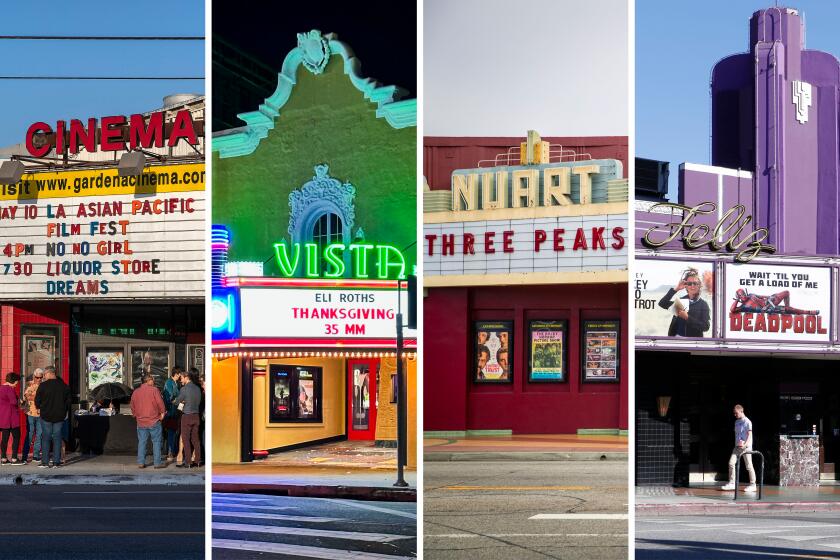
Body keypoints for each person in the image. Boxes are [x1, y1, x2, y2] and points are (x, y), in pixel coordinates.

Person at [34, 366, 71, 468]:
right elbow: (68, 402)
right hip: (59, 416)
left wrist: (39, 407)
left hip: (46, 415)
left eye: (45, 374)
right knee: (57, 438)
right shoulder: (64, 386)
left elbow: (37, 400)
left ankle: (45, 462)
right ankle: (56, 462)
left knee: (46, 438)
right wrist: (65, 412)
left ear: (50, 373)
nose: (44, 376)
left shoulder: (43, 386)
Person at [658, 268, 711, 337]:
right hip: (675, 341)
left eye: (695, 283)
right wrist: (676, 289)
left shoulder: (703, 305)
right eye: (689, 283)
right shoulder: (681, 301)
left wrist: (687, 317)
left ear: (699, 285)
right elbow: (662, 303)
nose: (692, 286)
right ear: (686, 286)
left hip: (693, 343)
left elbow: (705, 327)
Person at [130, 373, 167, 469]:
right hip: (154, 420)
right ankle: (157, 463)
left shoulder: (136, 392)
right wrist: (162, 413)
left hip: (141, 421)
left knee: (142, 442)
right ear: (148, 381)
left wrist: (135, 415)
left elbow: (132, 405)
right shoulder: (154, 390)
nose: (153, 381)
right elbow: (160, 403)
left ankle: (141, 463)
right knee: (156, 442)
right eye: (152, 379)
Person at [721, 404, 757, 492]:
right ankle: (732, 483)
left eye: (736, 413)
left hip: (746, 447)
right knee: (731, 463)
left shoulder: (748, 422)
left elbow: (750, 435)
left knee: (749, 466)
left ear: (741, 411)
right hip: (737, 447)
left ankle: (753, 484)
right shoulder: (736, 422)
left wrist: (745, 444)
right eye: (734, 413)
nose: (735, 415)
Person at [175, 369, 202, 468]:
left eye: (181, 378)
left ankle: (188, 462)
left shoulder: (184, 389)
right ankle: (198, 461)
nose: (180, 380)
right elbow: (199, 401)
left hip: (186, 416)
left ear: (186, 377)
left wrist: (175, 401)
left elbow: (177, 401)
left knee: (185, 439)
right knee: (195, 439)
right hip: (196, 415)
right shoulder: (197, 388)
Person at [21, 368, 44, 464]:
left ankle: (36, 455)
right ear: (34, 377)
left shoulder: (43, 386)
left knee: (39, 435)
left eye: (40, 377)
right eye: (37, 377)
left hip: (40, 414)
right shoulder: (30, 385)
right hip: (30, 413)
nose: (39, 379)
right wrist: (37, 396)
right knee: (30, 434)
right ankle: (24, 456)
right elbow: (27, 396)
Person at [0, 373, 23, 465]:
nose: (17, 384)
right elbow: (13, 402)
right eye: (17, 381)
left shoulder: (1, 388)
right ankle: (14, 458)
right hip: (12, 418)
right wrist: (19, 400)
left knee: (4, 439)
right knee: (16, 437)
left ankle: (3, 458)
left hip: (3, 417)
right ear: (13, 381)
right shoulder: (10, 389)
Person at [162, 366, 183, 463]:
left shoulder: (175, 383)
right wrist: (179, 401)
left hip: (175, 411)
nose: (180, 376)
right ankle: (170, 452)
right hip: (171, 411)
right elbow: (170, 397)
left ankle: (172, 451)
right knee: (171, 432)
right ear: (177, 374)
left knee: (174, 432)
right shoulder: (169, 382)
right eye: (180, 374)